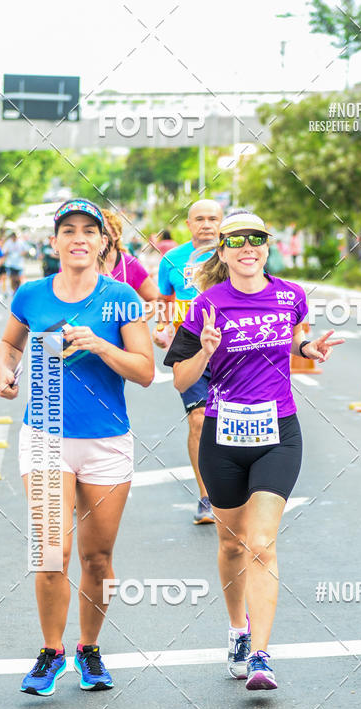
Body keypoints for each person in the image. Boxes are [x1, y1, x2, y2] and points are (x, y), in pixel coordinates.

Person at [164, 210, 342, 691]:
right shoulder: (205, 304)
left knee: (261, 543)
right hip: (223, 438)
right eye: (237, 240)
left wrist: (309, 351)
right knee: (230, 544)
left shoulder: (291, 295)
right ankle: (238, 632)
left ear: (267, 246)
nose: (248, 247)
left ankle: (261, 655)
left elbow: (297, 339)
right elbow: (180, 377)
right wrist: (203, 350)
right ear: (222, 250)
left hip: (278, 433)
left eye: (257, 239)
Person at [0, 198, 154, 696]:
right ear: (55, 241)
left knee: (98, 558)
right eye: (69, 230)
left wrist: (101, 345)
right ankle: (51, 652)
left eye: (90, 230)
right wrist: (6, 370)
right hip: (44, 432)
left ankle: (89, 648)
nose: (79, 238)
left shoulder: (121, 297)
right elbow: (10, 345)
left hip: (106, 440)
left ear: (104, 241)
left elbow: (147, 372)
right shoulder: (31, 295)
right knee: (50, 550)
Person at [155, 199, 223, 525]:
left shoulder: (236, 254)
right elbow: (166, 303)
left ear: (221, 222)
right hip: (191, 346)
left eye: (213, 218)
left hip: (233, 346)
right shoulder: (172, 259)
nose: (206, 224)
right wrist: (162, 326)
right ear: (189, 224)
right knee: (199, 419)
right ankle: (207, 496)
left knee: (230, 419)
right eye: (200, 219)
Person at [101, 208, 159, 318]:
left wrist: (133, 323)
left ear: (115, 234)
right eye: (91, 229)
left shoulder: (129, 264)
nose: (97, 232)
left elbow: (156, 299)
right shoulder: (79, 264)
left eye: (103, 228)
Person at [2, 231, 29, 296]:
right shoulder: (8, 243)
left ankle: (17, 289)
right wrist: (7, 252)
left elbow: (26, 250)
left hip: (19, 264)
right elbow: (3, 252)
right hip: (10, 264)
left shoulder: (21, 242)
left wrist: (21, 254)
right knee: (12, 278)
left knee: (18, 278)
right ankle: (14, 290)